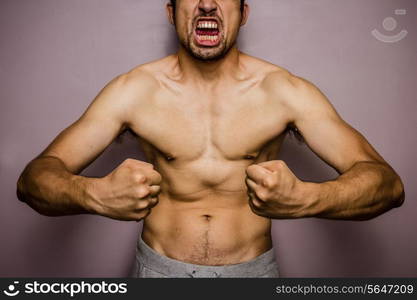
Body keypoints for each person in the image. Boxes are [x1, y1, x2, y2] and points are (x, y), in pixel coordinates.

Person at [16, 0, 404, 278]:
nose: (206, 4)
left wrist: (310, 198)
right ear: (171, 12)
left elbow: (387, 185)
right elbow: (33, 180)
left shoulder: (284, 91)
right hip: (157, 272)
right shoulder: (133, 91)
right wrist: (93, 194)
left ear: (243, 11)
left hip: (253, 273)